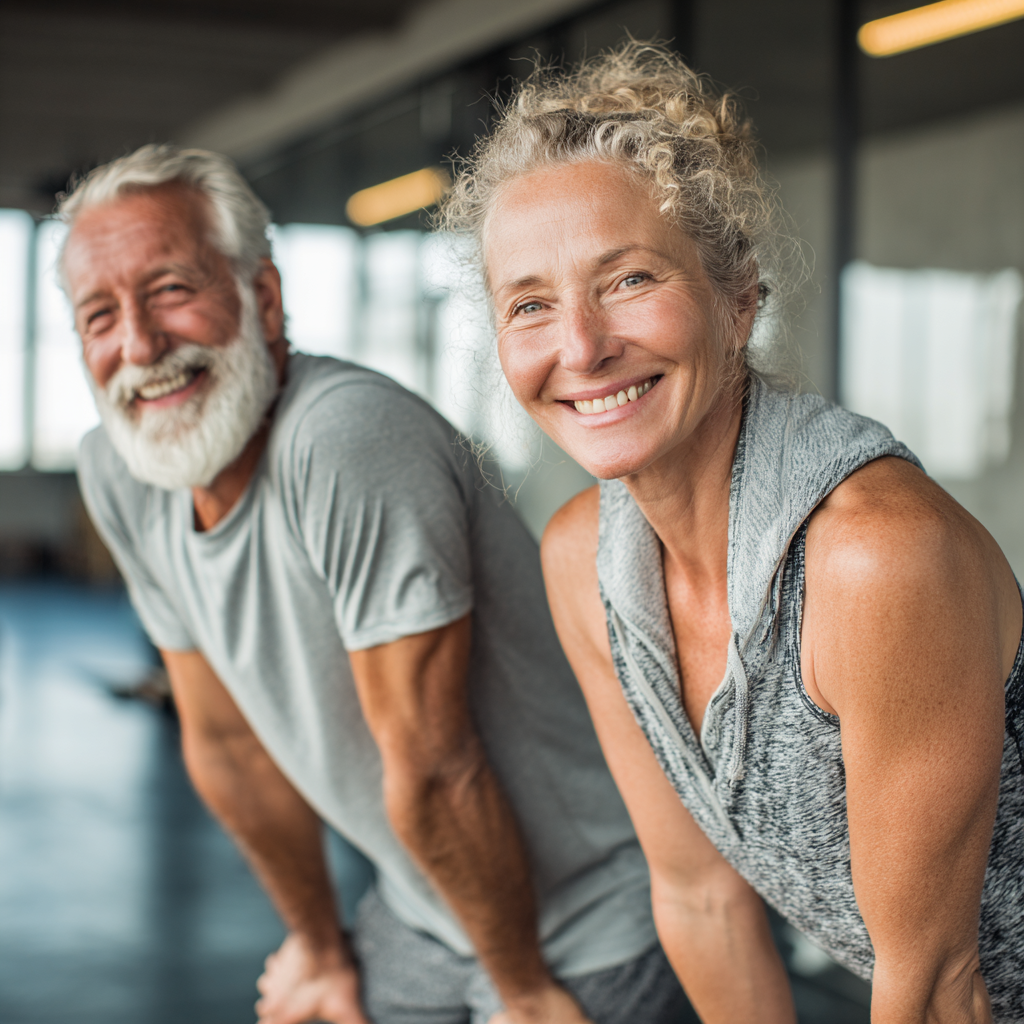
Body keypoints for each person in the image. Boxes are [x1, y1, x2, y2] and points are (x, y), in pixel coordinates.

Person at [439, 42, 1024, 1024]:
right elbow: (701, 898)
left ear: (737, 296)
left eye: (626, 280)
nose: (579, 346)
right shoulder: (585, 560)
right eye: (531, 304)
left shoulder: (873, 557)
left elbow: (934, 987)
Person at [63, 144, 694, 1024]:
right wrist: (319, 948)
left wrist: (524, 997)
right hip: (426, 904)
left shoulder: (346, 437)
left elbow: (436, 764)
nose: (138, 344)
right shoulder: (122, 468)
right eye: (100, 315)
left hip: (592, 920)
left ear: (263, 298)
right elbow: (230, 747)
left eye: (172, 290)